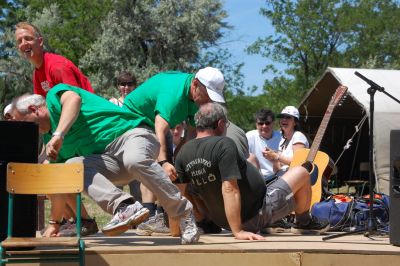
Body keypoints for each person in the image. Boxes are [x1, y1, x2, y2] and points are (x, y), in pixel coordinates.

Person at [11, 84, 199, 244]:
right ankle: (124, 206)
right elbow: (60, 185)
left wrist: (58, 134)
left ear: (34, 110)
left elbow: (73, 100)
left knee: (134, 159)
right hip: (110, 160)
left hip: (133, 134)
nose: (27, 131)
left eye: (24, 123)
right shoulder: (49, 142)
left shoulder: (54, 96)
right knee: (71, 166)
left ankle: (183, 212)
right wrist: (54, 223)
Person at [175, 102, 329, 240]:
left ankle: (284, 219)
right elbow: (229, 188)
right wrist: (238, 231)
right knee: (302, 172)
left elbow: (179, 194)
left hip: (222, 220)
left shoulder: (183, 152)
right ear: (220, 123)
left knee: (251, 159)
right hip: (255, 213)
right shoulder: (223, 144)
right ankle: (303, 222)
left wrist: (181, 227)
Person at [15, 22, 94, 96]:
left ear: (40, 42)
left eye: (28, 38)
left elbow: (75, 100)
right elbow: (42, 105)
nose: (24, 43)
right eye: (19, 41)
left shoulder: (57, 66)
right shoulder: (37, 73)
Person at [263, 106, 309, 173]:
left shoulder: (298, 136)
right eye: (282, 117)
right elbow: (276, 171)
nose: (284, 119)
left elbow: (298, 162)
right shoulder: (282, 140)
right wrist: (273, 159)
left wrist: (276, 156)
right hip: (281, 179)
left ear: (295, 122)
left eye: (288, 117)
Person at [246, 108, 281, 182]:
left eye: (267, 123)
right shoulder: (249, 137)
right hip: (257, 178)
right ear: (256, 125)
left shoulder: (281, 137)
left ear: (273, 123)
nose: (264, 126)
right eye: (261, 123)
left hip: (278, 177)